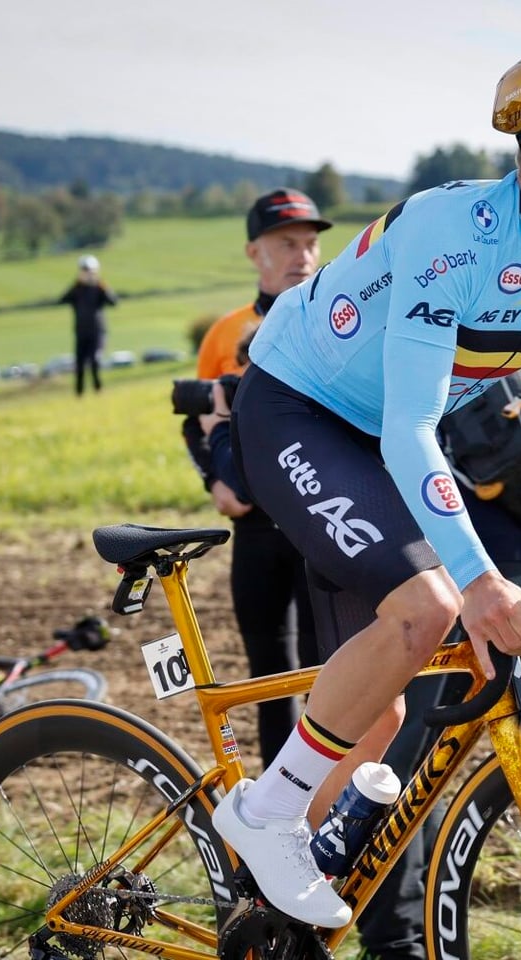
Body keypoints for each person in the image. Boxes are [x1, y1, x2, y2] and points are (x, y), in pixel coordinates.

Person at [208, 38, 521, 930]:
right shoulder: (448, 234)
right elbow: (410, 429)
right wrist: (474, 580)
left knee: (378, 713)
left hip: (383, 435)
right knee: (430, 606)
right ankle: (264, 813)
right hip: (301, 410)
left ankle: (266, 923)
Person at [187, 187, 333, 759]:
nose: (302, 255)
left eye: (310, 243)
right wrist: (215, 482)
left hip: (325, 524)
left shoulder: (336, 318)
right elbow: (196, 420)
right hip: (254, 529)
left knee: (332, 674)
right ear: (254, 252)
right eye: (286, 243)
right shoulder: (224, 336)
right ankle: (274, 825)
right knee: (269, 679)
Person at [59, 253, 118, 396]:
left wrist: (102, 285)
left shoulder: (99, 288)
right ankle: (79, 393)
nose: (88, 274)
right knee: (79, 364)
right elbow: (62, 299)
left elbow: (113, 302)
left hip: (97, 331)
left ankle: (98, 389)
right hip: (81, 332)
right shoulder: (77, 289)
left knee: (94, 361)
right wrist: (77, 284)